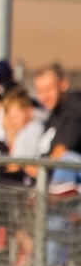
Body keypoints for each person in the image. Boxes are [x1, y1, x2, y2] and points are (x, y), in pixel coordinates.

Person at [32, 63, 81, 193]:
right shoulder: (54, 111)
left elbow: (62, 152)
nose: (44, 96)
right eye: (40, 91)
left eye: (48, 89)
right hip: (45, 179)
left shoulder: (74, 110)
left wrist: (37, 168)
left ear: (63, 84)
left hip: (67, 186)